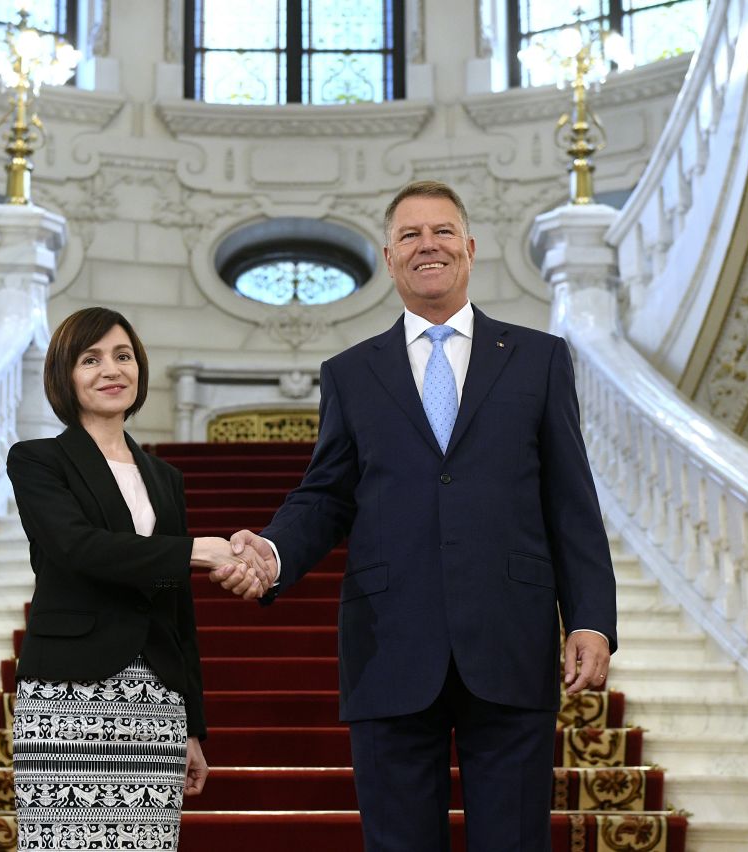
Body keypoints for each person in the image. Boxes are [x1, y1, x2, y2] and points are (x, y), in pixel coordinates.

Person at [215, 181, 618, 851]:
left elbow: (571, 499)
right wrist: (275, 552)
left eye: (441, 231)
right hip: (388, 646)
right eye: (409, 235)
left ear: (470, 247)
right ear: (389, 257)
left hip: (511, 640)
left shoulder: (539, 359)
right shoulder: (350, 373)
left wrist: (591, 617)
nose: (427, 245)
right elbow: (326, 494)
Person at [6, 307, 265, 851]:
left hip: (156, 699)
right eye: (90, 359)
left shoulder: (164, 477)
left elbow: (176, 606)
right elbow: (76, 548)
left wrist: (192, 727)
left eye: (123, 356)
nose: (111, 369)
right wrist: (195, 549)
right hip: (68, 696)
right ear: (65, 375)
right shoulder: (37, 460)